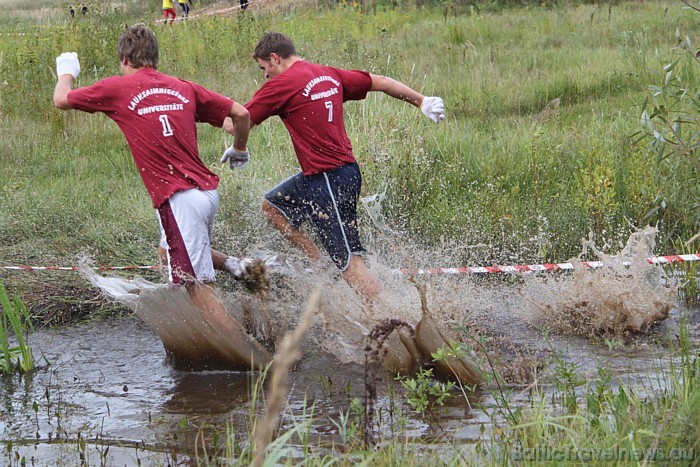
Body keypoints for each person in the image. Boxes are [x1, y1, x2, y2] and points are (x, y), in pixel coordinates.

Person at [53, 24, 261, 357]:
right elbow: (241, 113)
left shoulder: (118, 88)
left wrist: (66, 71)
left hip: (178, 201)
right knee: (167, 254)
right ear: (154, 57)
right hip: (205, 193)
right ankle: (237, 265)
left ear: (124, 58)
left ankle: (259, 361)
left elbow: (61, 100)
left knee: (197, 291)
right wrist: (239, 148)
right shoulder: (182, 87)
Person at [222, 32, 445, 303]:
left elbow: (236, 122)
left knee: (349, 263)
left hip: (327, 180)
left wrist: (200, 111)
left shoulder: (281, 84)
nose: (265, 77)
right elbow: (383, 82)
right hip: (336, 174)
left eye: (264, 69)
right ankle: (320, 263)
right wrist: (421, 100)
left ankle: (391, 322)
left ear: (275, 58)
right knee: (272, 206)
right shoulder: (327, 74)